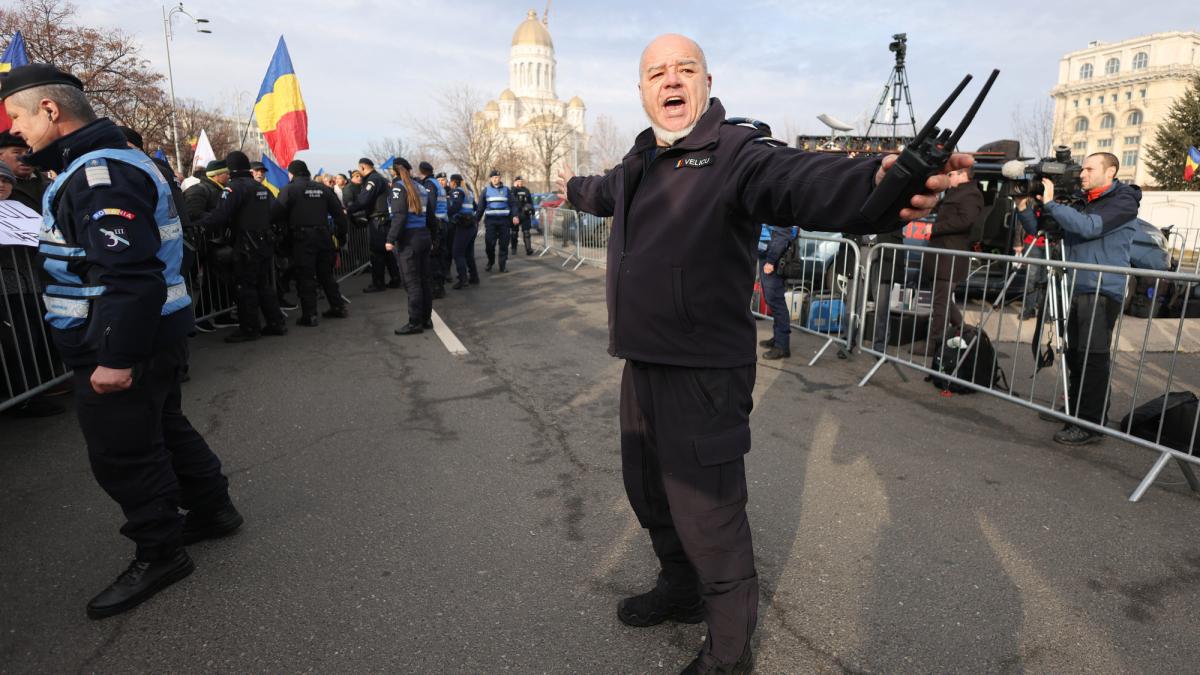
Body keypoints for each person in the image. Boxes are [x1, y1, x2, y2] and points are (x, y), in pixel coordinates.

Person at [557, 34, 967, 674]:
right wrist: (569, 187)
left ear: (706, 82)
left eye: (684, 69)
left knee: (709, 517)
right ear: (641, 90)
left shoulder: (736, 152)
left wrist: (880, 179)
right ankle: (680, 588)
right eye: (657, 73)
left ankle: (729, 652)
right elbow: (600, 191)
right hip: (642, 362)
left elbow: (802, 178)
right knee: (649, 493)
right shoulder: (640, 161)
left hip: (704, 373)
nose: (671, 80)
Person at [3, 63, 242, 619]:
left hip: (118, 341)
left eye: (17, 116)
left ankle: (161, 553)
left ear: (49, 110)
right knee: (164, 426)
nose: (14, 130)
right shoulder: (116, 161)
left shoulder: (99, 173)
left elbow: (128, 274)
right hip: (150, 333)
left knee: (124, 454)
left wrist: (115, 358)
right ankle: (213, 511)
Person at [1015, 152, 1138, 446]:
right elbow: (1045, 231)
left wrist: (1053, 203)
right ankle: (1074, 410)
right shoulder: (1083, 200)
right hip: (1075, 288)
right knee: (1073, 353)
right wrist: (1024, 207)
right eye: (1082, 169)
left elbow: (1090, 227)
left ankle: (1091, 425)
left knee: (1092, 358)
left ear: (1110, 172)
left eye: (1089, 169)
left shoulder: (1123, 201)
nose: (1082, 174)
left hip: (1101, 290)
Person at [193, 151, 288, 343]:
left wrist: (199, 223)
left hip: (245, 245)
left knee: (245, 288)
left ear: (231, 168)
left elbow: (221, 215)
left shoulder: (233, 188)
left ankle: (250, 329)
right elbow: (276, 209)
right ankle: (275, 323)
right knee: (264, 285)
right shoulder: (259, 187)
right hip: (263, 243)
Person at [270, 159, 350, 326]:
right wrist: (341, 236)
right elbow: (340, 215)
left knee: (305, 276)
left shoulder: (289, 190)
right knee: (326, 275)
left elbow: (275, 214)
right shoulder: (323, 189)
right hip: (323, 237)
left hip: (302, 239)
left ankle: (310, 315)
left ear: (291, 173)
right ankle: (338, 306)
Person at [923, 168, 983, 346]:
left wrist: (934, 229)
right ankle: (966, 331)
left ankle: (935, 344)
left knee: (941, 303)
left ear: (964, 174)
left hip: (950, 256)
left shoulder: (971, 194)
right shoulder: (955, 193)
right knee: (942, 299)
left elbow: (965, 221)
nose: (948, 177)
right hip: (942, 255)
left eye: (951, 174)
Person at [385, 158, 434, 335]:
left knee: (412, 283)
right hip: (423, 235)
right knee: (424, 281)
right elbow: (431, 216)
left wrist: (390, 239)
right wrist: (433, 237)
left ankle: (415, 322)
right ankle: (426, 319)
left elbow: (399, 216)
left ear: (395, 171)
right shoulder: (420, 186)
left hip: (409, 239)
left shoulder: (399, 187)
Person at [347, 158, 401, 292]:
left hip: (378, 220)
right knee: (386, 252)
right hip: (384, 218)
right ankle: (395, 279)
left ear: (363, 167)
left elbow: (363, 199)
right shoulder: (381, 178)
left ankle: (378, 283)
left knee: (377, 252)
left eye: (360, 169)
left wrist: (348, 210)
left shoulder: (373, 179)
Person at [757, 224, 797, 360]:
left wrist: (771, 260)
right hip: (767, 254)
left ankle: (782, 346)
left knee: (776, 301)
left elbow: (783, 235)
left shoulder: (781, 209)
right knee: (772, 300)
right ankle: (778, 338)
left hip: (773, 257)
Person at [416, 161, 448, 299]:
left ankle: (437, 288)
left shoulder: (429, 184)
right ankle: (439, 286)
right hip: (442, 223)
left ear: (421, 172)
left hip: (436, 224)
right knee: (439, 257)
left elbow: (430, 206)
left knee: (433, 258)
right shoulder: (436, 183)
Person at [479, 170, 519, 272]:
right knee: (489, 244)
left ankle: (502, 265)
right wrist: (476, 220)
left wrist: (515, 216)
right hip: (491, 221)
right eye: (494, 177)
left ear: (500, 178)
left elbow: (513, 204)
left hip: (504, 221)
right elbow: (480, 208)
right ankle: (490, 261)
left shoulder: (506, 190)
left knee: (504, 244)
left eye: (497, 177)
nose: (496, 179)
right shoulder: (486, 191)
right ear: (491, 179)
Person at [0, 129, 48, 211]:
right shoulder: (3, 188)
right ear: (1, 156)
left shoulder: (52, 184)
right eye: (17, 152)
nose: (25, 157)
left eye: (30, 152)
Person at [448, 173, 479, 289]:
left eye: (450, 182)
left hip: (463, 226)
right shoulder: (468, 192)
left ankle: (463, 279)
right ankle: (474, 277)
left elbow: (455, 206)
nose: (449, 184)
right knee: (468, 253)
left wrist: (447, 213)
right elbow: (475, 207)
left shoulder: (458, 191)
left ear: (454, 182)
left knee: (457, 253)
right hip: (471, 225)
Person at [510, 175, 535, 256]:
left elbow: (530, 201)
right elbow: (511, 198)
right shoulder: (513, 190)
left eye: (521, 181)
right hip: (515, 214)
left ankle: (528, 249)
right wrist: (514, 187)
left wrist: (532, 210)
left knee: (526, 232)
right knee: (514, 233)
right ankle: (514, 248)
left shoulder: (526, 190)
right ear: (515, 182)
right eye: (518, 181)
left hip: (525, 214)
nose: (520, 182)